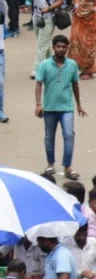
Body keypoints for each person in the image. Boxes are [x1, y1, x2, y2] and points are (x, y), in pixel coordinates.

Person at [35, 34, 86, 179]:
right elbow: (38, 84)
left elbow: (75, 85)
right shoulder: (44, 65)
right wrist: (38, 104)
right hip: (49, 108)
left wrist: (79, 105)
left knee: (69, 135)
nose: (61, 49)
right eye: (58, 46)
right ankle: (50, 164)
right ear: (53, 48)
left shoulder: (72, 65)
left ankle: (67, 166)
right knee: (49, 137)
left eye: (64, 47)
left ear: (67, 48)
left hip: (67, 108)